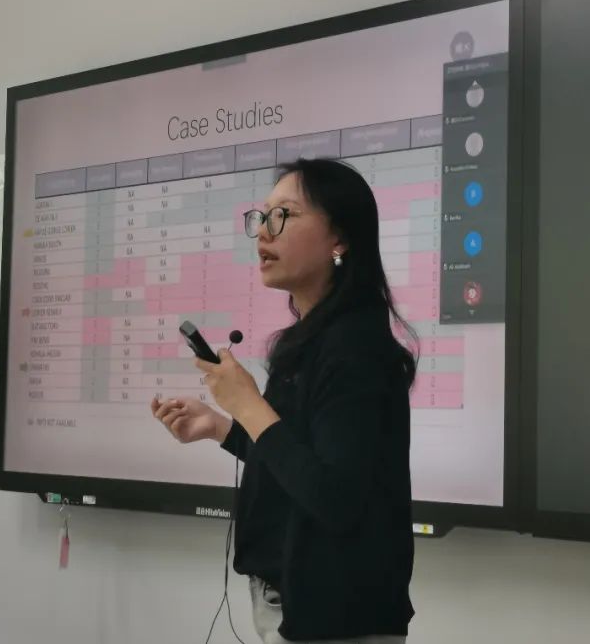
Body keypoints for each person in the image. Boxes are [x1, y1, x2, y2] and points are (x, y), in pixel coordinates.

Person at [151, 157, 416, 643]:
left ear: (340, 238)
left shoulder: (356, 348)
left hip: (339, 618)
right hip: (296, 604)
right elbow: (297, 461)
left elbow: (334, 498)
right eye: (262, 217)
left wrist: (248, 405)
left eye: (283, 216)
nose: (262, 233)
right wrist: (221, 426)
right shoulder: (312, 340)